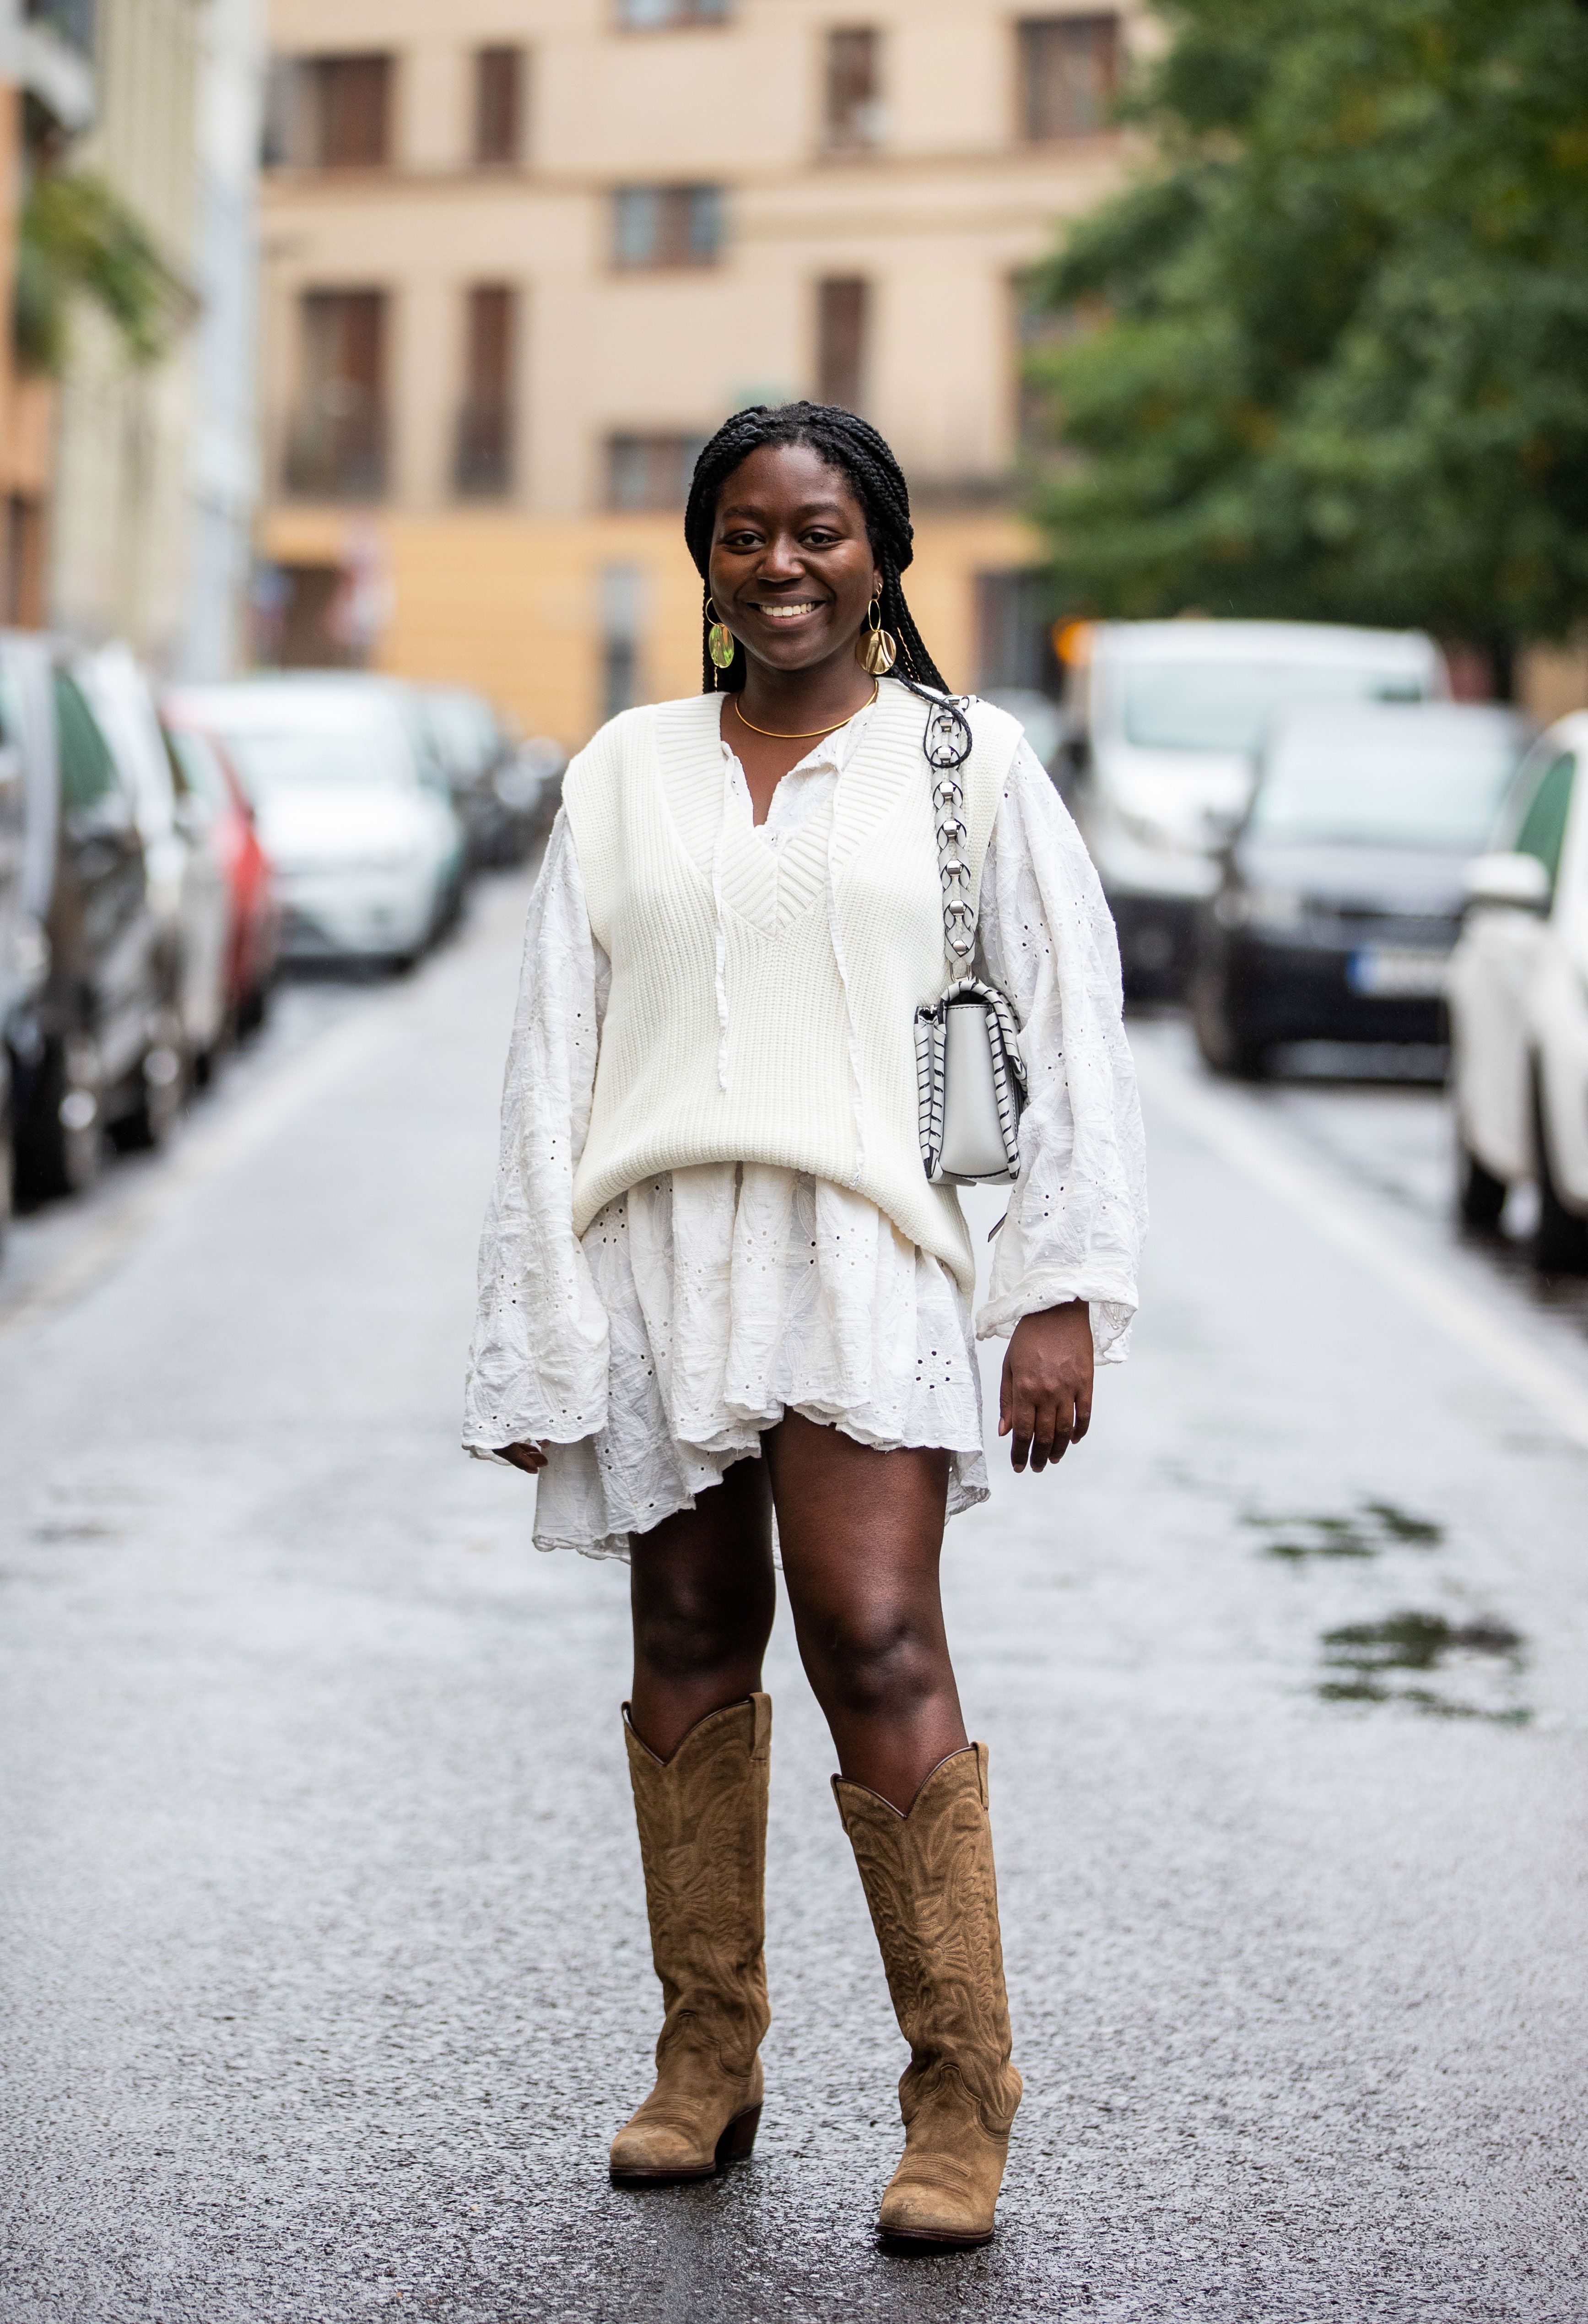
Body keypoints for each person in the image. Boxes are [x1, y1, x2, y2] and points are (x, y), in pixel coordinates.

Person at [464, 402, 1145, 2249]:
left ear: (884, 553)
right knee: (685, 1624)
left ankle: (957, 2089)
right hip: (657, 1246)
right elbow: (553, 1057)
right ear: (705, 558)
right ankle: (707, 2060)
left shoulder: (970, 763)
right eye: (744, 534)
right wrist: (538, 1327)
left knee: (873, 1628)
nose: (780, 566)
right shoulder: (619, 770)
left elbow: (1072, 1037)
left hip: (866, 1255)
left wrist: (1057, 1294)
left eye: (818, 532)